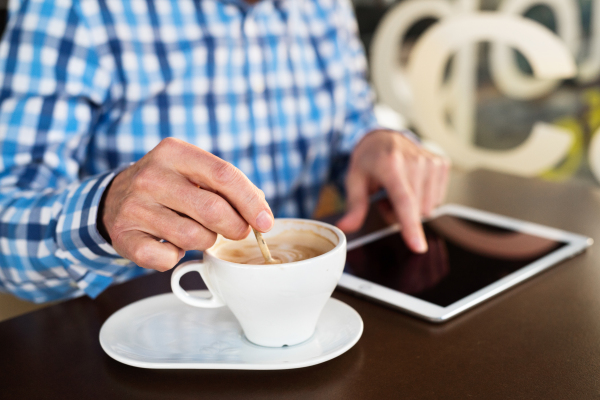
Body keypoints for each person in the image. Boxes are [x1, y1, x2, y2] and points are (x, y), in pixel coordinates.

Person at [0, 0, 449, 303]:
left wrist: (371, 143)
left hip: (303, 315)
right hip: (144, 330)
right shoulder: (71, 10)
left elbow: (350, 120)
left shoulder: (324, 6)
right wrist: (103, 211)